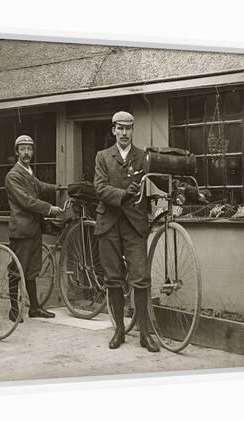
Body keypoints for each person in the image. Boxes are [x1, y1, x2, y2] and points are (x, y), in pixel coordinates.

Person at [94, 111, 160, 352]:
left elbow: (160, 180)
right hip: (109, 224)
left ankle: (145, 335)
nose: (123, 133)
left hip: (134, 225)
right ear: (113, 130)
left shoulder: (143, 157)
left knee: (141, 279)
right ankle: (119, 331)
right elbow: (100, 188)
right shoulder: (102, 157)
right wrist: (123, 194)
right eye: (119, 128)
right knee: (113, 279)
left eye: (128, 129)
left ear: (133, 131)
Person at [5, 135, 64, 322]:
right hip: (21, 230)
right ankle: (14, 309)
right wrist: (49, 208)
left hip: (33, 229)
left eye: (29, 149)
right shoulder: (13, 175)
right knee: (17, 269)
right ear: (16, 152)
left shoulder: (28, 172)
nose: (26, 153)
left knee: (31, 269)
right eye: (22, 149)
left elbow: (40, 186)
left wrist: (61, 188)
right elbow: (26, 201)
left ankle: (35, 308)